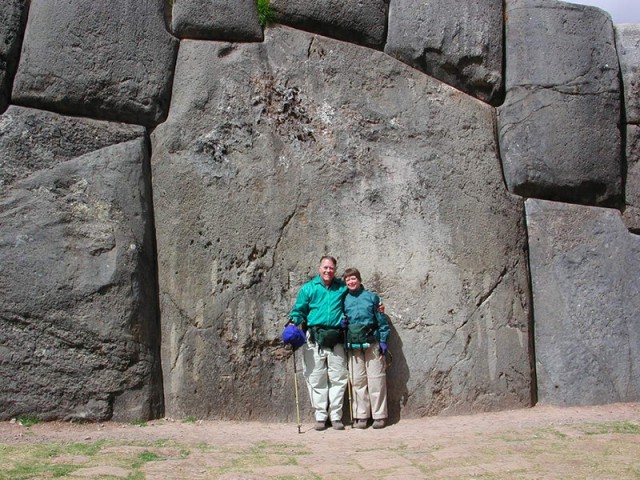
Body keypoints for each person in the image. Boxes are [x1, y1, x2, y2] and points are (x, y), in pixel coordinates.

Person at [286, 255, 349, 431]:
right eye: (325, 267)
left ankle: (336, 416)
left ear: (335, 270)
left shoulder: (341, 288)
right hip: (314, 337)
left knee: (339, 377)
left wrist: (376, 306)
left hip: (336, 336)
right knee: (316, 377)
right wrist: (293, 322)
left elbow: (355, 296)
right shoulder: (308, 289)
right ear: (319, 268)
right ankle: (320, 416)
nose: (328, 271)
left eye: (331, 268)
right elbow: (299, 310)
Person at [343, 267, 390, 429]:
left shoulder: (372, 298)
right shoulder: (343, 299)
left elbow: (381, 320)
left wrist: (383, 341)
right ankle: (361, 416)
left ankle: (379, 415)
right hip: (353, 346)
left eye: (353, 278)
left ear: (360, 279)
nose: (351, 281)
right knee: (357, 381)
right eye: (348, 279)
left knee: (376, 379)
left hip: (372, 343)